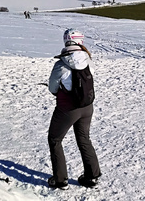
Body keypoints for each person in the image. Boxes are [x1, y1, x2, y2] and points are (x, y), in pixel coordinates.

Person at [46, 29, 101, 189]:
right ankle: (92, 177)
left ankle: (60, 180)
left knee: (55, 140)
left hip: (67, 109)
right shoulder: (88, 59)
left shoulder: (61, 64)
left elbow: (52, 88)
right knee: (84, 138)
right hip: (87, 106)